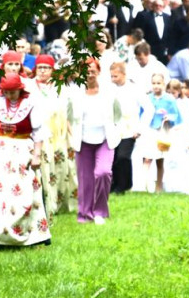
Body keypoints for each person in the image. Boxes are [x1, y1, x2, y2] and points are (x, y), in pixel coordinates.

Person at [0, 73, 51, 249]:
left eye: (12, 92)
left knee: (21, 193)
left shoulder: (31, 104)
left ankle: (24, 233)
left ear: (20, 90)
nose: (9, 95)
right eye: (6, 92)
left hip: (22, 150)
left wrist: (36, 155)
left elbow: (38, 132)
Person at [68, 59, 121, 223]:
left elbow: (118, 114)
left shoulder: (109, 92)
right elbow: (68, 117)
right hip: (83, 140)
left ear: (98, 71)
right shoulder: (74, 93)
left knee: (103, 172)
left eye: (92, 70)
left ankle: (100, 212)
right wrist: (72, 134)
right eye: (85, 71)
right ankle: (84, 214)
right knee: (85, 179)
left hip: (105, 139)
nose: (89, 74)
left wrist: (117, 129)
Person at [34, 54, 77, 218]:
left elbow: (67, 111)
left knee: (60, 167)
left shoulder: (60, 88)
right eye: (40, 67)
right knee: (44, 169)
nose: (43, 71)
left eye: (47, 68)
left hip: (58, 133)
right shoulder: (30, 87)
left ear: (52, 70)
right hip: (39, 133)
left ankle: (59, 203)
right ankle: (45, 204)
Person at [138, 72, 181, 193]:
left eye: (159, 83)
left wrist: (169, 117)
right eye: (153, 83)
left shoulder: (169, 99)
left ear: (163, 84)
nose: (156, 86)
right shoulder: (147, 98)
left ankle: (159, 186)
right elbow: (141, 113)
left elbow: (176, 115)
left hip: (162, 131)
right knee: (147, 157)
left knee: (160, 160)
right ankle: (144, 185)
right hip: (149, 130)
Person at [109, 61, 143, 194]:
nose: (113, 79)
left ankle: (125, 184)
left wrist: (140, 127)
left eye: (115, 76)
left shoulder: (134, 88)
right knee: (114, 157)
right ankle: (115, 184)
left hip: (130, 128)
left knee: (123, 156)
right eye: (111, 76)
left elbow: (148, 108)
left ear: (123, 74)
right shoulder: (110, 89)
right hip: (114, 127)